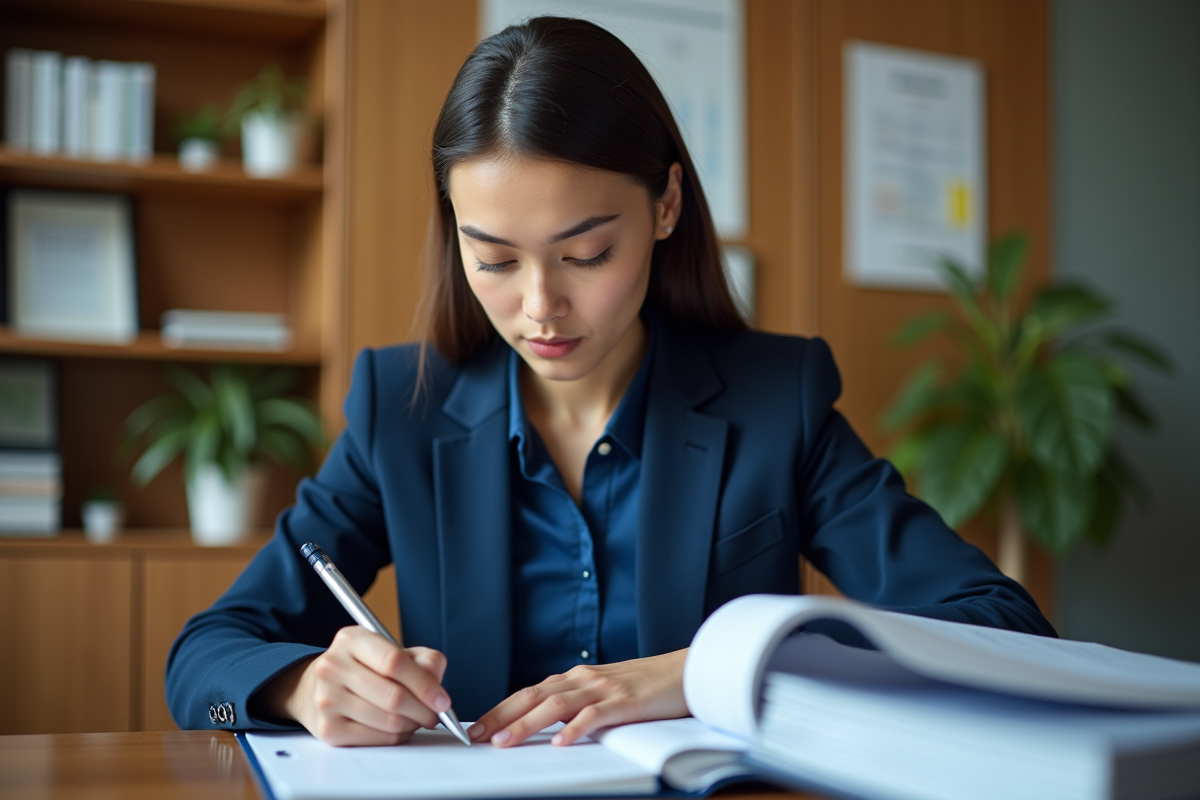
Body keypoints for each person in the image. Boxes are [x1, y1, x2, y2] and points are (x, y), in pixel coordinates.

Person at [166, 16, 1054, 749]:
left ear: (666, 205)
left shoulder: (775, 400)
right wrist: (297, 686)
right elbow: (201, 663)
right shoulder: (403, 410)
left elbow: (1003, 628)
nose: (541, 307)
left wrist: (701, 672)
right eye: (496, 260)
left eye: (587, 254)